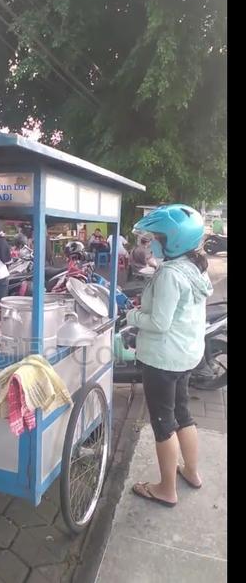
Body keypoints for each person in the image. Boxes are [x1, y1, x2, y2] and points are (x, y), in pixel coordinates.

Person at [126, 204, 213, 507]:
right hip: (186, 355)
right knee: (183, 414)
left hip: (163, 360)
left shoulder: (169, 275)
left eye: (155, 238)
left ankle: (166, 489)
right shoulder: (194, 268)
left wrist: (133, 316)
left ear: (173, 241)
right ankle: (191, 472)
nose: (151, 243)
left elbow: (160, 324)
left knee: (164, 423)